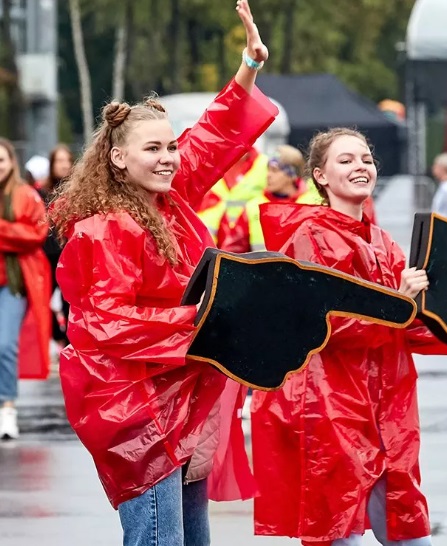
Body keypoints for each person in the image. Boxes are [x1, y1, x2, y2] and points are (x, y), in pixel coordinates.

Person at [49, 1, 278, 543]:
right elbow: (106, 323)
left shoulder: (167, 200)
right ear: (118, 159)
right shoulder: (103, 228)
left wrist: (249, 64)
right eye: (153, 148)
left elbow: (215, 133)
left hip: (183, 398)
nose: (170, 156)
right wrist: (205, 322)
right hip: (134, 411)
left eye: (171, 145)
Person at [251, 128, 447, 546]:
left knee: (406, 523)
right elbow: (326, 323)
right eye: (345, 160)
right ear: (320, 177)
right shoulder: (310, 237)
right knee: (341, 527)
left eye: (365, 158)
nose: (360, 166)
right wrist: (398, 299)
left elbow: (411, 323)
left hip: (388, 403)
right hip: (330, 402)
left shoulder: (382, 243)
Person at [0, 139, 52, 440]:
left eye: (2, 160)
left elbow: (36, 234)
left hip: (14, 283)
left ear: (11, 163)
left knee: (5, 345)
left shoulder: (25, 195)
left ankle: (7, 407)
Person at [231, 144, 305, 252]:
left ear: (292, 175)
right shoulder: (253, 207)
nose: (268, 175)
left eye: (274, 170)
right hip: (257, 269)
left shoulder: (310, 205)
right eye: (268, 170)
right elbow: (231, 252)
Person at [41, 144, 75, 346]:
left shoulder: (77, 191)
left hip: (69, 255)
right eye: (59, 161)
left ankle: (71, 343)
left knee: (68, 302)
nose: (63, 165)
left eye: (66, 160)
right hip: (47, 255)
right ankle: (58, 336)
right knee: (42, 300)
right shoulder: (42, 192)